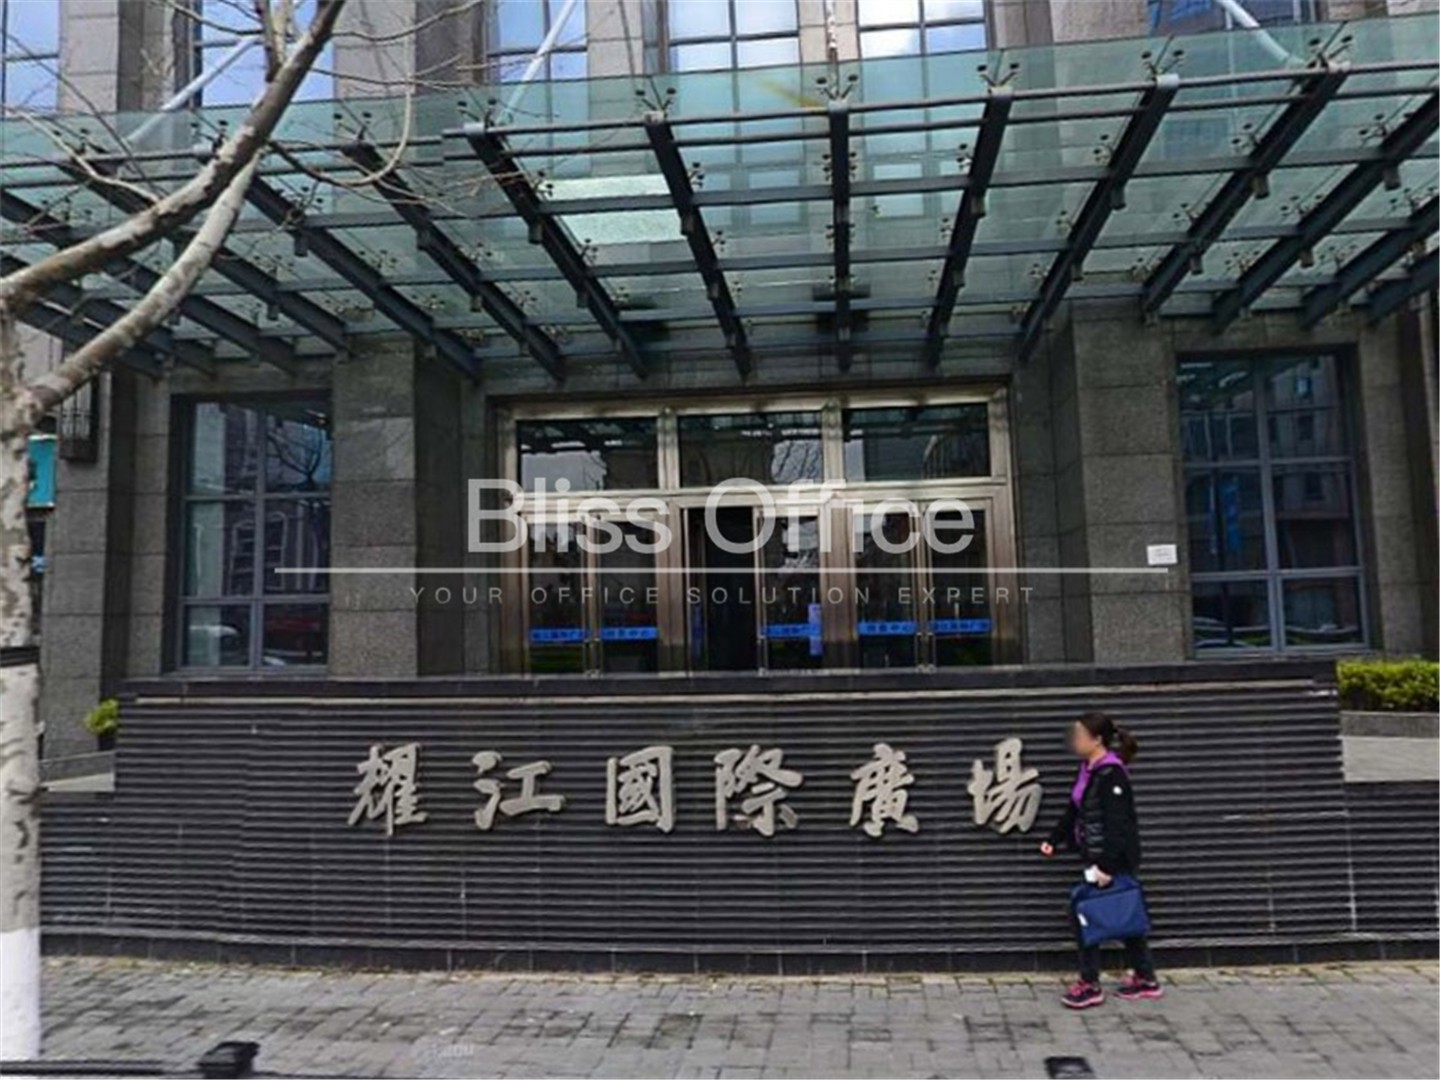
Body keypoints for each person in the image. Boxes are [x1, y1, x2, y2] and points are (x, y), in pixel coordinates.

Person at [1039, 711, 1162, 1009]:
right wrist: (1054, 839)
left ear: (1096, 740)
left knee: (1083, 912)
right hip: (1098, 856)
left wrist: (1106, 866)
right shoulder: (1089, 770)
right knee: (1125, 914)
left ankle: (1090, 984)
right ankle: (1146, 979)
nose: (1074, 740)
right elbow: (1075, 809)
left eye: (1079, 735)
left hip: (1112, 860)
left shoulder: (1111, 775)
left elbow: (1119, 826)